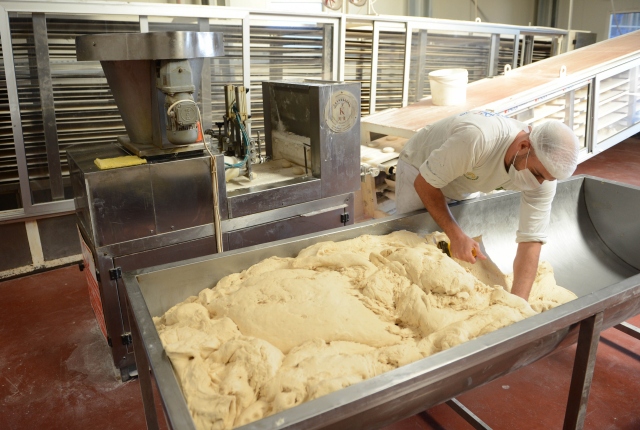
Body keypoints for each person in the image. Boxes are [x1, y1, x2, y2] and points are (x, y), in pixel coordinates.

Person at [395, 110, 580, 301]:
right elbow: (424, 184)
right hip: (419, 169)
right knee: (415, 243)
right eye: (537, 174)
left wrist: (518, 302)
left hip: (466, 178)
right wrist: (456, 235)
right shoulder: (479, 139)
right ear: (523, 146)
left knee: (455, 250)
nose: (539, 183)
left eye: (546, 179)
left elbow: (531, 239)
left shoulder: (544, 175)